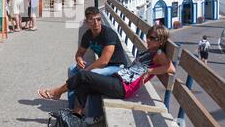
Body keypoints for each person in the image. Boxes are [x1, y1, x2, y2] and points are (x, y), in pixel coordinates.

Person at [38, 25, 175, 120]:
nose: (148, 40)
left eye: (153, 38)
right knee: (83, 83)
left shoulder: (158, 54)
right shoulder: (149, 50)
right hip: (118, 79)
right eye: (148, 36)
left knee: (83, 74)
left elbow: (171, 68)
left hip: (123, 88)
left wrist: (151, 70)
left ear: (161, 40)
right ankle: (76, 117)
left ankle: (57, 92)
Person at [38, 7, 127, 119]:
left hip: (117, 67)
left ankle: (58, 91)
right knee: (72, 69)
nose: (96, 23)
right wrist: (79, 59)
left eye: (98, 19)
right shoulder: (88, 35)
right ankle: (72, 108)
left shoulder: (108, 34)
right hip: (104, 66)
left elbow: (104, 60)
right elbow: (79, 53)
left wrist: (87, 70)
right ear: (87, 21)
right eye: (92, 20)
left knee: (87, 75)